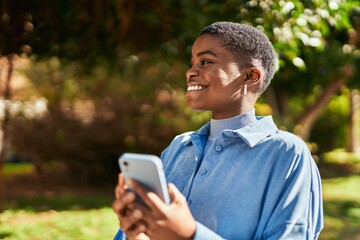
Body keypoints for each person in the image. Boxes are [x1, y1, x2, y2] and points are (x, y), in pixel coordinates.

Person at [112, 21, 323, 240]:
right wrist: (135, 230)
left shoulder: (286, 154)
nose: (190, 72)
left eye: (205, 61)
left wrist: (189, 235)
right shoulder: (179, 147)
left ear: (250, 77)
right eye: (192, 62)